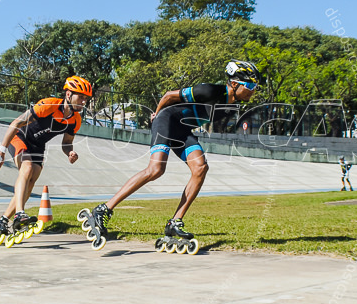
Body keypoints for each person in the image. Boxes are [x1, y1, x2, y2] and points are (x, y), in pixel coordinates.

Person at [81, 60, 260, 252]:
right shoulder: (210, 91)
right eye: (250, 85)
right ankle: (104, 209)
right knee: (156, 169)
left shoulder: (232, 106)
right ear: (234, 83)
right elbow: (168, 96)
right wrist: (155, 115)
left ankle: (175, 222)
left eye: (255, 86)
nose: (253, 90)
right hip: (167, 120)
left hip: (183, 130)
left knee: (200, 168)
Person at [0, 76, 92, 244]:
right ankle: (20, 214)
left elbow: (67, 143)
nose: (84, 102)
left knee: (31, 181)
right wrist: (1, 151)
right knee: (26, 169)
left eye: (86, 99)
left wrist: (70, 152)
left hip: (38, 146)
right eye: (81, 97)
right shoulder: (49, 105)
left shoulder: (75, 119)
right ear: (69, 94)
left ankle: (3, 221)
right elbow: (16, 123)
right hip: (20, 138)